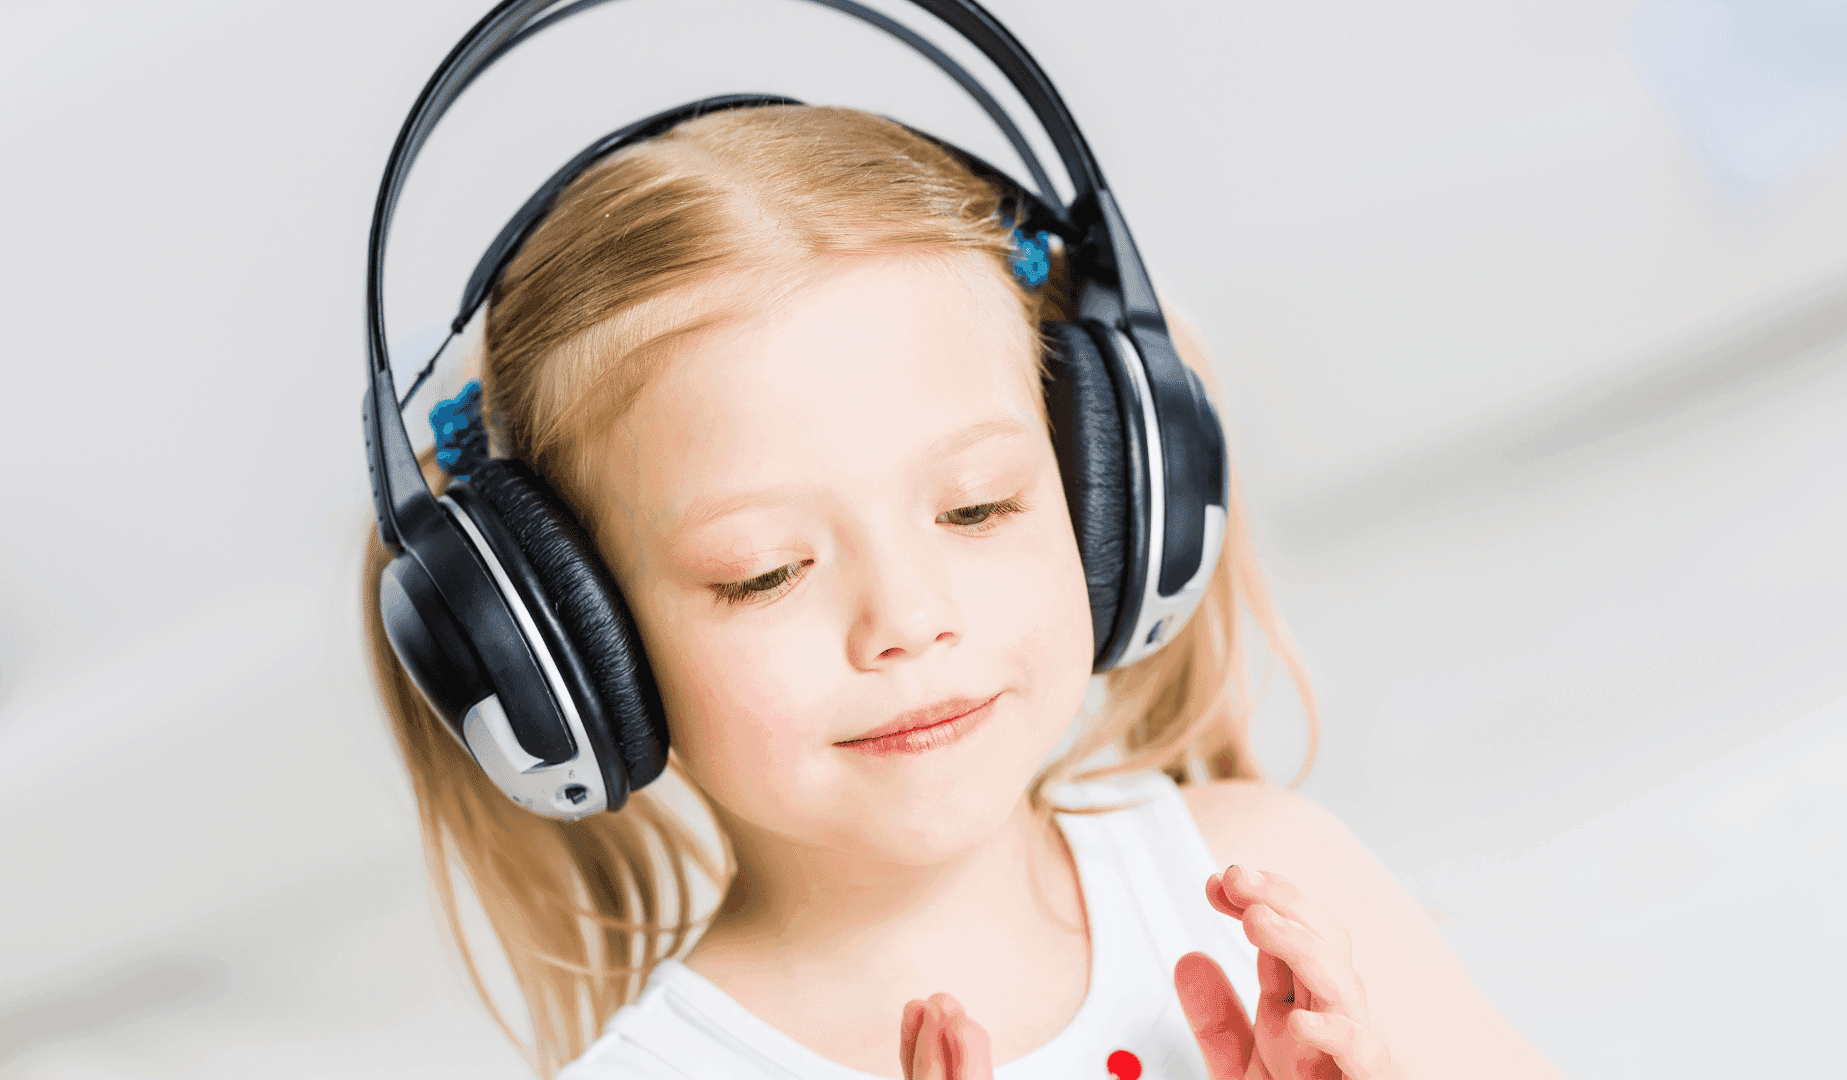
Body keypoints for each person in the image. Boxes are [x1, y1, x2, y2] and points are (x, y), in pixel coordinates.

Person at [362, 103, 1567, 1080]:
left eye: (978, 508)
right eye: (765, 573)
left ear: (1108, 495)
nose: (906, 621)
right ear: (574, 650)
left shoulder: (1280, 889)